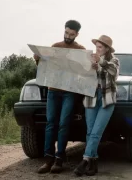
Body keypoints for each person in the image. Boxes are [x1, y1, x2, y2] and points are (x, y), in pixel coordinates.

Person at [35, 20, 86, 174]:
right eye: (66, 33)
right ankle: (48, 159)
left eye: (71, 34)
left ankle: (59, 159)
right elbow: (44, 68)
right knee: (51, 123)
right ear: (64, 30)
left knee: (64, 123)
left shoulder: (80, 50)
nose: (68, 36)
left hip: (69, 91)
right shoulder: (55, 46)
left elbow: (85, 72)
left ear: (77, 34)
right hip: (53, 90)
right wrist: (38, 59)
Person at [74, 35, 120, 176]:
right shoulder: (90, 60)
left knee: (96, 132)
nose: (97, 49)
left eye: (100, 47)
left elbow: (114, 73)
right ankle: (93, 164)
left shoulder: (114, 60)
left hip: (107, 100)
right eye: (96, 47)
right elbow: (81, 78)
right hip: (91, 98)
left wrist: (100, 62)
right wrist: (91, 69)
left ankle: (85, 160)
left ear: (107, 49)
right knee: (90, 132)